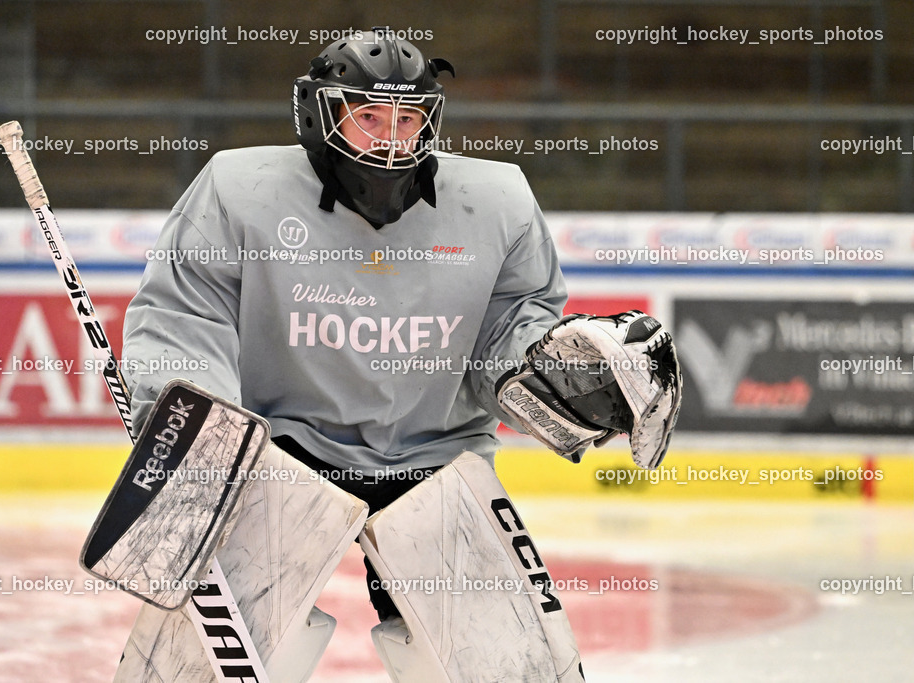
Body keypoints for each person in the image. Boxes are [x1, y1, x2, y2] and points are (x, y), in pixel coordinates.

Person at [113, 27, 679, 682]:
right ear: (319, 114)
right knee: (196, 667)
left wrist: (560, 370)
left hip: (435, 457)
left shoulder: (497, 203)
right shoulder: (239, 192)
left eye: (407, 118)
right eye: (369, 116)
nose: (391, 136)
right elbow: (185, 313)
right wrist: (190, 429)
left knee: (509, 668)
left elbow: (509, 332)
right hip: (282, 453)